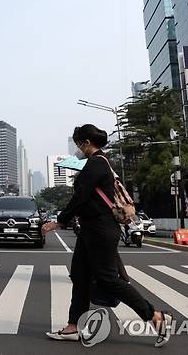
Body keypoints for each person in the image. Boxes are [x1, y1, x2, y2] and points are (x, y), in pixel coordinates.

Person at [42, 124, 173, 347]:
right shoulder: (99, 163)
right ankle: (73, 326)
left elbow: (80, 197)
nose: (77, 149)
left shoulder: (96, 163)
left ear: (86, 143)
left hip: (100, 230)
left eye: (78, 144)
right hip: (90, 230)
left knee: (108, 279)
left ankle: (155, 316)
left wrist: (59, 221)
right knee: (80, 277)